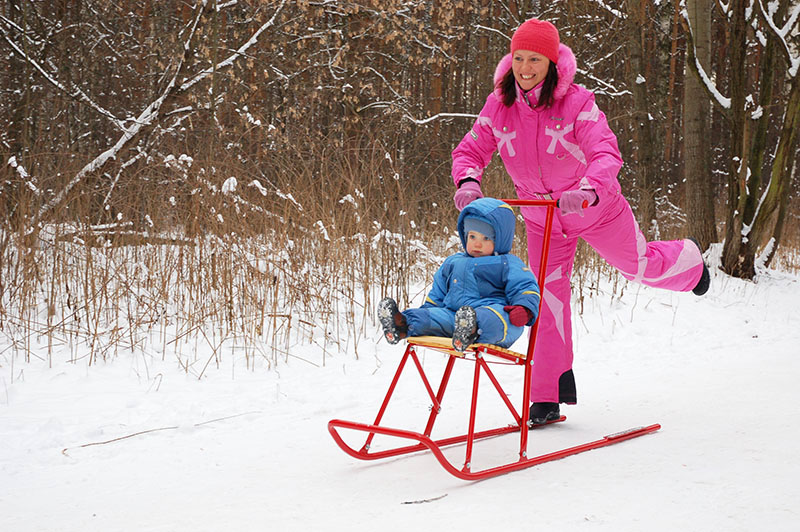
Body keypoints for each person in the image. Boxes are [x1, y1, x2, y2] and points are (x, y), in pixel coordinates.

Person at [451, 18, 710, 425]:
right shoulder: (499, 106)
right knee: (544, 298)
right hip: (542, 221)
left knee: (638, 265)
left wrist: (588, 189)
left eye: (535, 58)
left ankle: (690, 264)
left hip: (594, 210)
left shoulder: (578, 103)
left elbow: (605, 153)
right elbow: (470, 151)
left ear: (552, 62)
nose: (525, 67)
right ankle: (547, 394)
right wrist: (468, 182)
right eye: (519, 57)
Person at [378, 197, 540, 352]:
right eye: (472, 236)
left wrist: (524, 308)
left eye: (485, 238)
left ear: (500, 240)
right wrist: (429, 312)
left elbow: (525, 287)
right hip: (454, 317)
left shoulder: (508, 263)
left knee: (496, 319)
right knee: (432, 317)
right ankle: (402, 325)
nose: (477, 243)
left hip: (493, 315)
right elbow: (438, 292)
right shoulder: (454, 262)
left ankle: (472, 329)